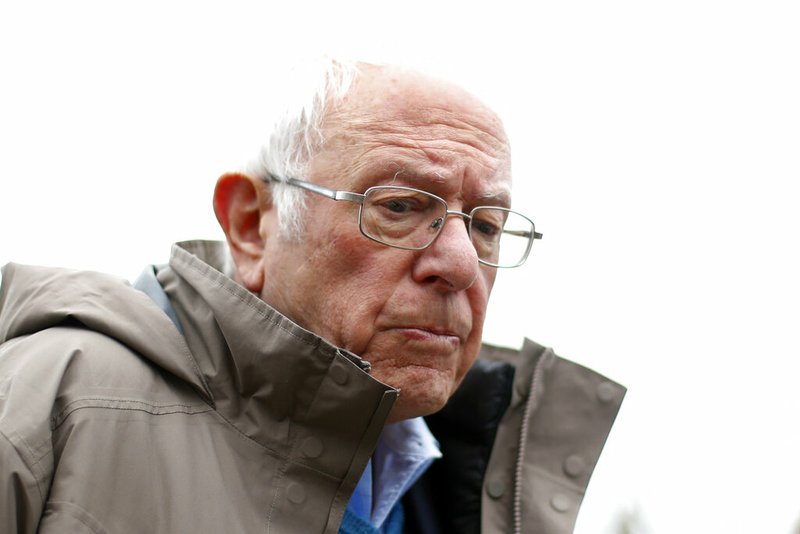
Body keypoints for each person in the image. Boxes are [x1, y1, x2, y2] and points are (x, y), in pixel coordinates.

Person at [0, 58, 624, 534]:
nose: (461, 263)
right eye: (400, 207)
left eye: (485, 225)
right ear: (252, 226)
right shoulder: (54, 401)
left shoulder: (478, 488)